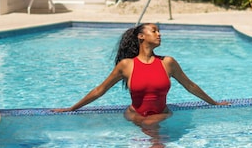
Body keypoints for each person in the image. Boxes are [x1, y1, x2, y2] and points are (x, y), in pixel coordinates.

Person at [54, 22, 228, 126]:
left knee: (151, 131)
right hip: (134, 114)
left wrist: (214, 103)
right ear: (141, 36)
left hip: (161, 115)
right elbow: (100, 90)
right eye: (154, 31)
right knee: (149, 134)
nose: (159, 34)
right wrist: (71, 109)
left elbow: (190, 86)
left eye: (159, 31)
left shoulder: (168, 63)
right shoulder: (126, 65)